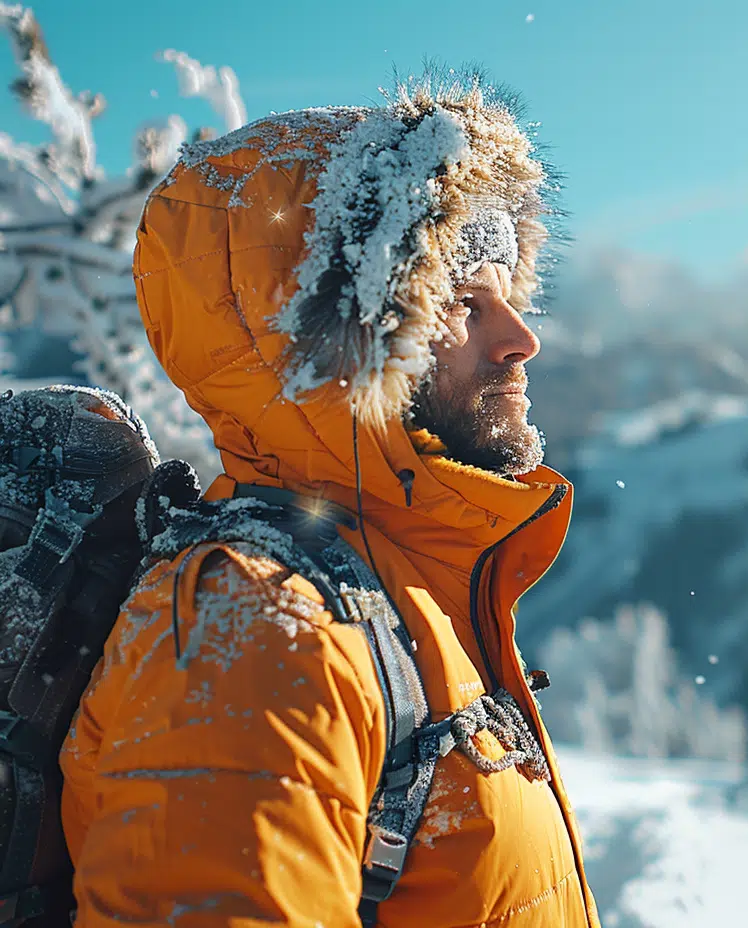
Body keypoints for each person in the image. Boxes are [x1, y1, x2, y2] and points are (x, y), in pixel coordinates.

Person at [57, 72, 600, 927]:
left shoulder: (394, 592)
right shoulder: (266, 632)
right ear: (331, 344)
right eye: (461, 302)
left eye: (509, 294)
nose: (521, 337)